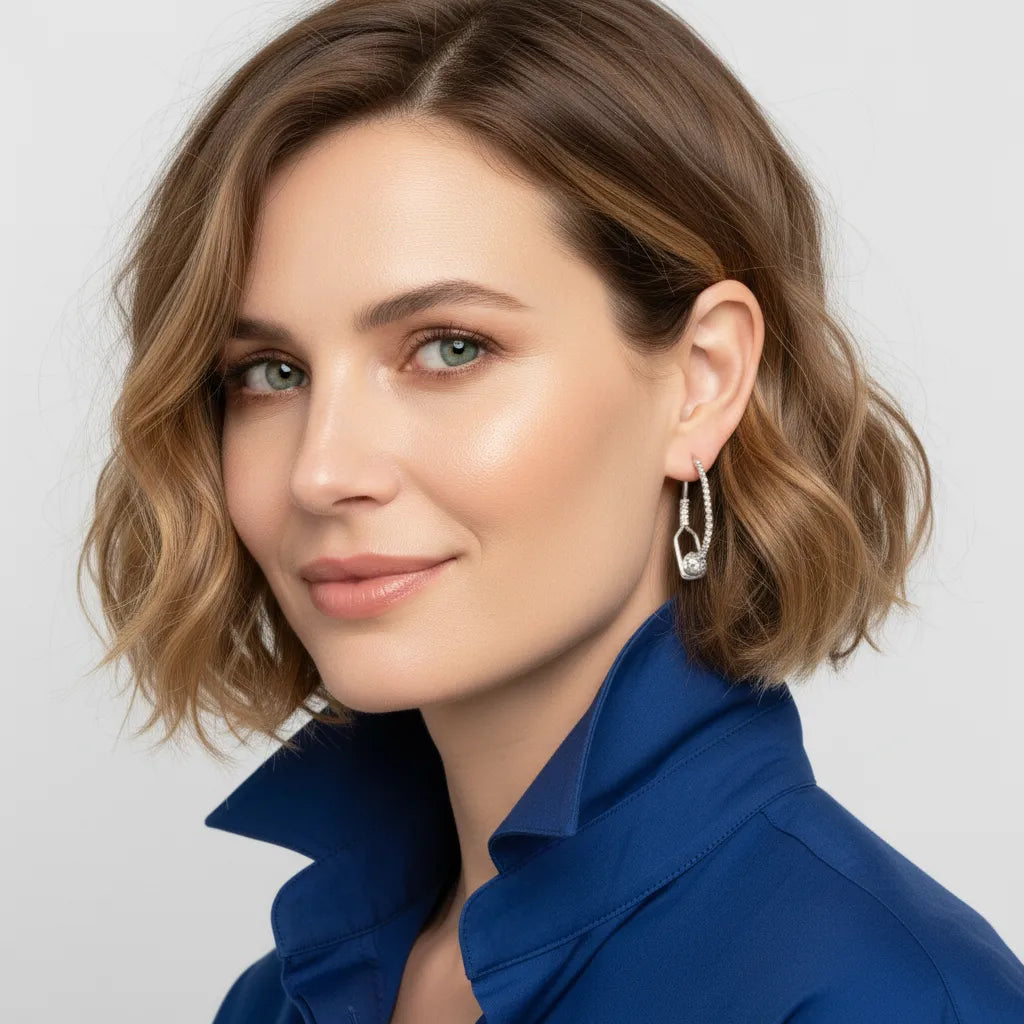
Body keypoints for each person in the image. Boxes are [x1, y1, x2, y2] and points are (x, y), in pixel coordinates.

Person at [77, 0, 1024, 1021]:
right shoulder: (276, 1000)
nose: (321, 470)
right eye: (270, 371)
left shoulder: (883, 997)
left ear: (701, 381)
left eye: (449, 348)